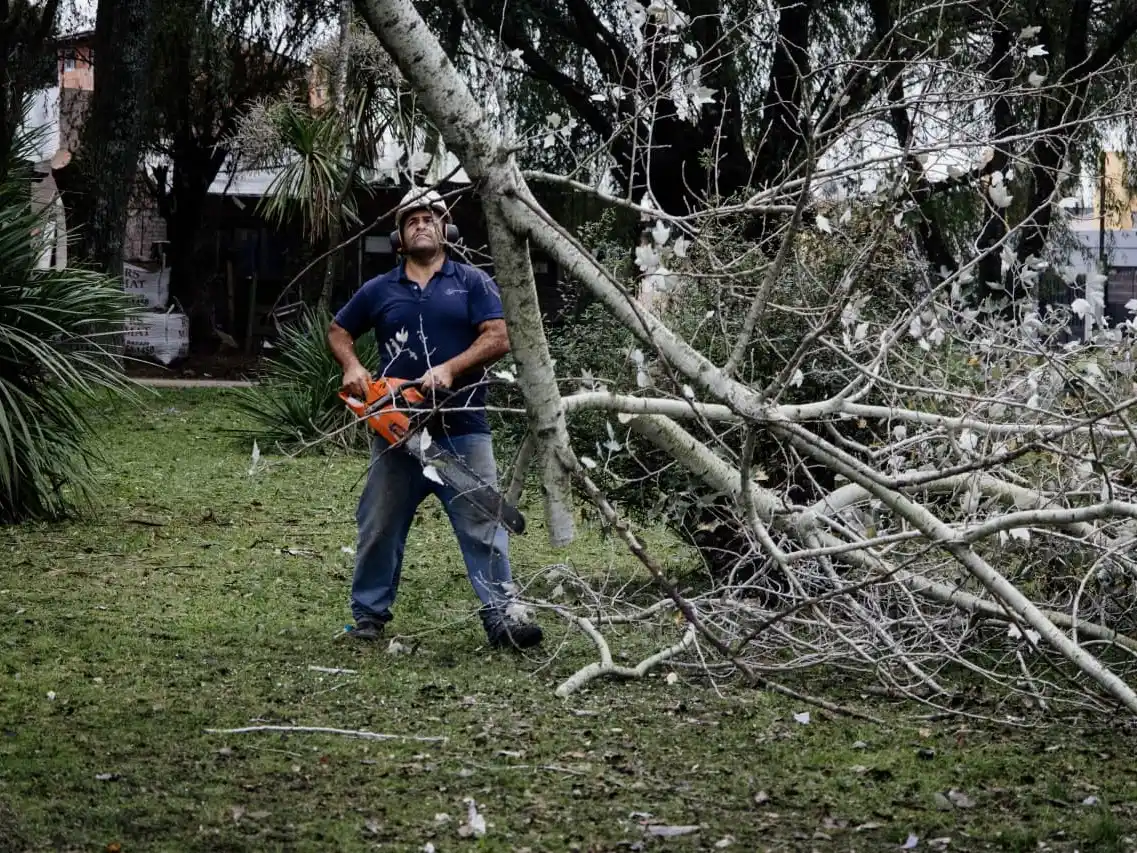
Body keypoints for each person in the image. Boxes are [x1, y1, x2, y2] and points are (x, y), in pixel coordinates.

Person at [327, 187, 543, 650]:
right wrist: (353, 366)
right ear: (399, 237)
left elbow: (499, 336)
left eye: (430, 216)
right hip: (398, 431)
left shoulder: (472, 282)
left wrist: (450, 367)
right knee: (378, 525)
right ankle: (368, 617)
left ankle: (502, 615)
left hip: (462, 427)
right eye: (412, 219)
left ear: (446, 228)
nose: (422, 223)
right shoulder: (379, 289)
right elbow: (339, 330)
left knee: (484, 526)